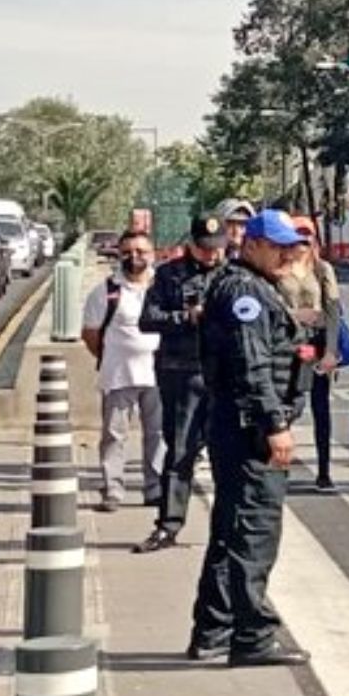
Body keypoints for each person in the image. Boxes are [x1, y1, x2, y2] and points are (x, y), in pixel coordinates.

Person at [187, 209, 313, 667]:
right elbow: (251, 365)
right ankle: (252, 637)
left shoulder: (250, 285)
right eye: (279, 246)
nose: (288, 253)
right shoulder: (245, 292)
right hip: (248, 430)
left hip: (236, 425)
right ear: (253, 244)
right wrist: (275, 425)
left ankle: (214, 629)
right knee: (254, 531)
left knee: (230, 529)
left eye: (292, 246)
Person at [134, 216, 227, 553]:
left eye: (217, 249)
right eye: (205, 249)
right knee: (181, 451)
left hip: (222, 373)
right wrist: (187, 317)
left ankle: (226, 529)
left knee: (225, 454)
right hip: (181, 372)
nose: (212, 256)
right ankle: (168, 525)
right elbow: (147, 319)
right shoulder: (169, 274)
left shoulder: (232, 275)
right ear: (192, 244)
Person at [82, 228, 165, 513]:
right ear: (119, 255)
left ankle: (155, 489)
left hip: (159, 374)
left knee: (158, 434)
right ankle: (112, 490)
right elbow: (91, 334)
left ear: (152, 254)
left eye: (141, 251)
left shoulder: (164, 287)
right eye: (127, 252)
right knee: (114, 436)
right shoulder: (105, 291)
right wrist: (110, 357)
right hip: (118, 375)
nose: (134, 257)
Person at [275, 216, 342, 493]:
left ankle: (324, 471)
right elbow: (272, 306)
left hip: (317, 344)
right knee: (286, 409)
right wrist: (294, 315)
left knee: (321, 409)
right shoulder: (279, 269)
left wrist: (331, 352)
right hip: (289, 343)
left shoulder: (322, 268)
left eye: (308, 236)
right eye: (297, 236)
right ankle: (280, 469)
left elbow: (333, 311)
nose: (303, 242)